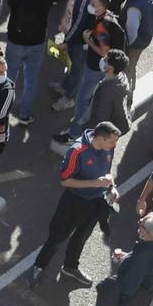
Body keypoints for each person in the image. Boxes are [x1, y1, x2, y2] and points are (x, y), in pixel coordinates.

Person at [26, 122, 120, 289]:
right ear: (99, 138)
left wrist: (111, 187)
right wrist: (94, 183)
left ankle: (70, 267)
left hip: (96, 201)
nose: (114, 145)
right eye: (112, 142)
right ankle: (38, 267)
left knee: (81, 237)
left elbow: (107, 172)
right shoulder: (77, 151)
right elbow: (65, 181)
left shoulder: (108, 148)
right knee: (56, 238)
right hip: (74, 202)